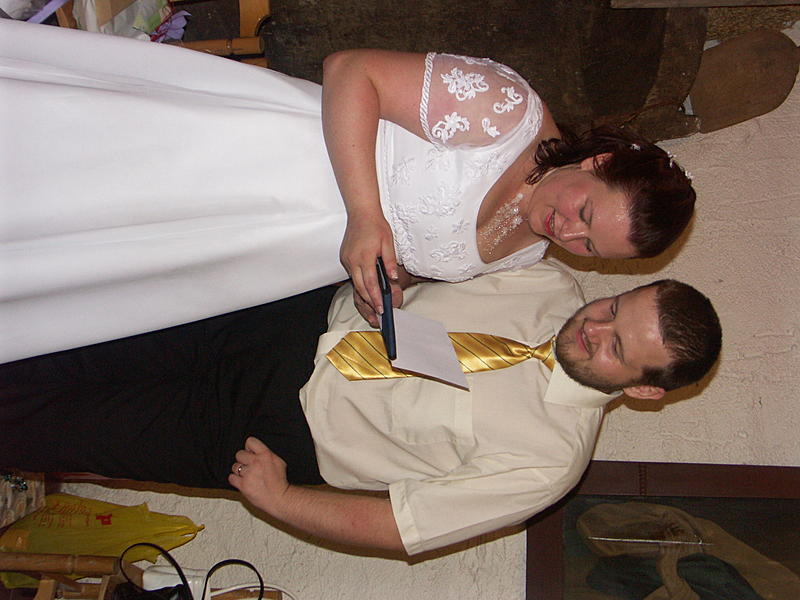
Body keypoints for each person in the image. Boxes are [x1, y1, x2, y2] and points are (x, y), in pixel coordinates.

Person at [0, 20, 695, 363]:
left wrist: (386, 289)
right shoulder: (505, 111)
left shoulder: (526, 255)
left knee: (104, 263)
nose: (567, 233)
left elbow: (411, 253)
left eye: (588, 246)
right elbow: (351, 70)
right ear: (598, 160)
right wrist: (366, 213)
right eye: (584, 212)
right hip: (265, 157)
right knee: (78, 177)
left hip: (275, 253)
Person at [0, 260, 721, 555]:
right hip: (284, 317)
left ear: (644, 390)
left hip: (264, 433)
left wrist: (283, 501)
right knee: (71, 336)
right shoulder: (550, 282)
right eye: (613, 306)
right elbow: (432, 259)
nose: (592, 327)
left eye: (615, 347)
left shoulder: (549, 463)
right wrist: (394, 271)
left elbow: (402, 525)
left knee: (53, 427)